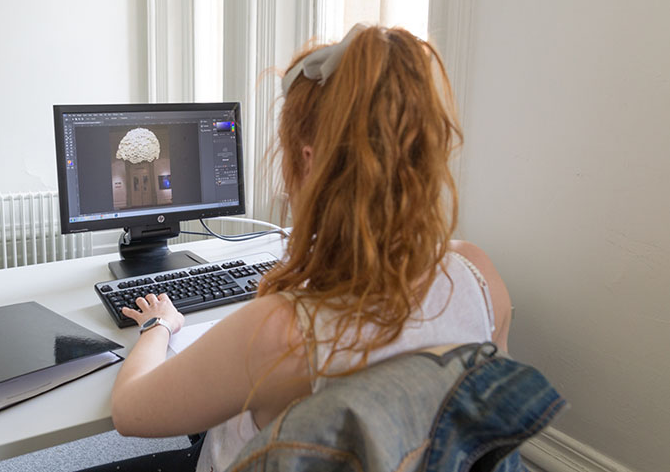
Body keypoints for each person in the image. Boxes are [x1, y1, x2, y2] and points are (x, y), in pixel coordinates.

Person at [79, 24, 512, 472]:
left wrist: (158, 325)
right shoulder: (481, 277)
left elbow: (129, 411)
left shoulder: (280, 331)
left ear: (308, 160)